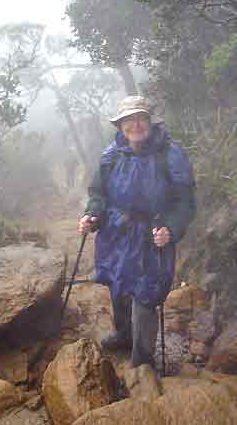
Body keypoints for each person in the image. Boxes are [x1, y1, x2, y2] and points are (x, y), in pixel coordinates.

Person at [78, 95, 196, 369]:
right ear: (120, 125)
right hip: (116, 232)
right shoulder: (111, 155)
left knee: (146, 293)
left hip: (152, 233)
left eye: (141, 118)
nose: (135, 125)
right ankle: (124, 335)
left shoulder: (170, 153)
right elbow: (98, 194)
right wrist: (91, 215)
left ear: (150, 121)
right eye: (128, 120)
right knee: (118, 282)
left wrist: (171, 227)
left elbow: (185, 201)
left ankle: (142, 360)